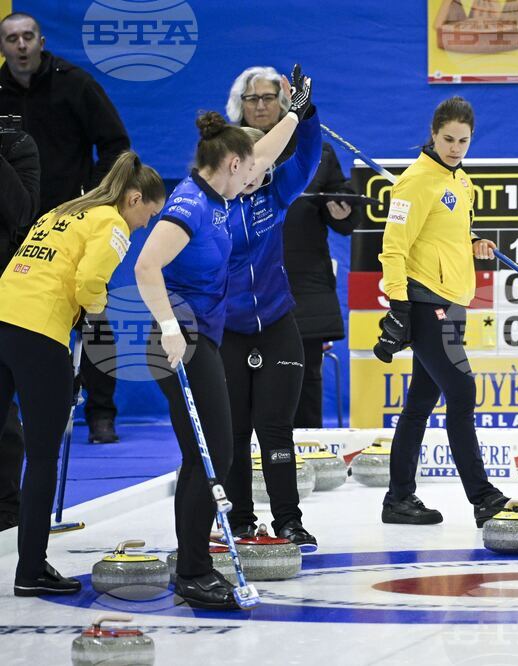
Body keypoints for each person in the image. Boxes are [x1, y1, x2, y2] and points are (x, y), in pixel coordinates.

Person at [135, 72, 311, 610]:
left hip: (201, 338)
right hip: (182, 341)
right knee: (210, 453)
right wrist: (168, 328)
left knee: (204, 454)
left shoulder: (220, 188)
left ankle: (193, 565)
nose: (253, 180)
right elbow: (147, 266)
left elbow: (270, 148)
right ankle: (192, 570)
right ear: (231, 165)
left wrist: (297, 113)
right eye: (248, 171)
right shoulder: (189, 206)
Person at [0, 150, 163, 595]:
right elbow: (89, 280)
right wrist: (96, 309)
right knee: (42, 457)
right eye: (148, 215)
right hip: (39, 331)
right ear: (133, 199)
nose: (145, 225)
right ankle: (31, 569)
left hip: (3, 317)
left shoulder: (65, 210)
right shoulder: (111, 224)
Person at [374, 96, 512, 528]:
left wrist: (471, 244)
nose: (455, 147)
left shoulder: (462, 181)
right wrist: (398, 303)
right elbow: (393, 247)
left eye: (463, 141)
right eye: (448, 139)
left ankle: (398, 499)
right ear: (433, 134)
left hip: (452, 302)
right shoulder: (414, 182)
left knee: (420, 403)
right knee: (462, 390)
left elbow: (442, 232)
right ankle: (483, 496)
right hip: (425, 301)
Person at [0, 11, 131, 444]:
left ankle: (101, 414)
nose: (20, 46)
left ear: (41, 41)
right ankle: (14, 418)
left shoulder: (75, 83)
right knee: (14, 318)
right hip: (13, 227)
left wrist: (92, 199)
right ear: (2, 47)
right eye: (11, 38)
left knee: (93, 314)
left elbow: (115, 144)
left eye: (28, 37)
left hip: (69, 223)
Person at [220, 66, 322, 548]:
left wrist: (307, 112)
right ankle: (239, 519)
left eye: (259, 164)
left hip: (278, 324)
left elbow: (308, 156)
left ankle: (289, 520)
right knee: (237, 430)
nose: (253, 172)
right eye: (244, 164)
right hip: (228, 331)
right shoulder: (207, 206)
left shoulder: (275, 193)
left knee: (275, 428)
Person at [226, 66, 359, 427]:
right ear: (239, 105)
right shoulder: (226, 150)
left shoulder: (316, 153)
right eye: (251, 98)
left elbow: (343, 215)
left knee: (304, 373)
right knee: (242, 378)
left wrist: (341, 207)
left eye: (268, 97)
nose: (259, 105)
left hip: (303, 283)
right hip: (245, 283)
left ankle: (307, 454)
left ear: (285, 102)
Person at [0, 120, 39, 532]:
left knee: (5, 414)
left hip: (4, 293)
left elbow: (21, 211)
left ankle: (7, 509)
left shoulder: (15, 142)